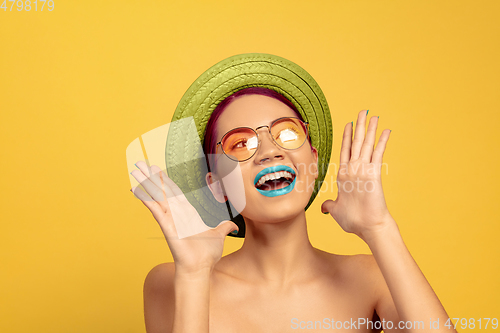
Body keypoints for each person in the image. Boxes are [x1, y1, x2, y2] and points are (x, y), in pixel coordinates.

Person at [130, 54, 455, 333]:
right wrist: (194, 275)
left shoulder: (371, 278)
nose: (270, 152)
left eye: (287, 133)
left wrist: (380, 228)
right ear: (216, 186)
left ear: (312, 161)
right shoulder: (171, 282)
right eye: (241, 144)